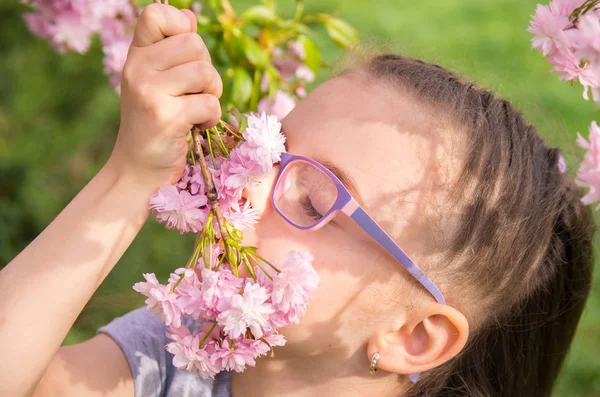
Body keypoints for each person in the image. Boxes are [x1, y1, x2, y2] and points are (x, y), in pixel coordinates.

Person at [0, 3, 595, 397]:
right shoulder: (180, 354)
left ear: (414, 337)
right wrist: (128, 181)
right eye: (272, 150)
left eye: (313, 202)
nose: (245, 185)